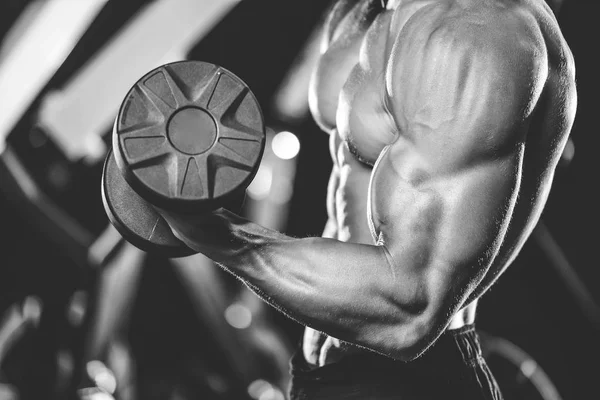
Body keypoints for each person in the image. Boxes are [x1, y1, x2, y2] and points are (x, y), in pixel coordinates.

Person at [159, 0, 577, 398]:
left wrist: (216, 234)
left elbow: (410, 307)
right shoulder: (367, 12)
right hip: (320, 375)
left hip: (408, 387)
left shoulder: (479, 34)